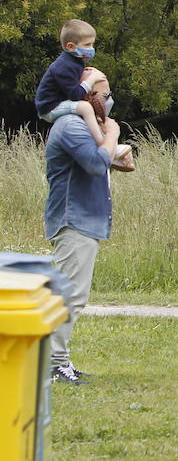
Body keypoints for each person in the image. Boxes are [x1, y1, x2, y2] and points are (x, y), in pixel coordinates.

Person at [43, 69, 127, 384]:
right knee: (68, 295)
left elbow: (96, 161)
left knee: (72, 294)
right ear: (88, 96)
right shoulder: (70, 126)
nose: (108, 101)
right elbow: (94, 163)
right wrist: (113, 135)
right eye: (104, 95)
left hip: (83, 219)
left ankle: (59, 360)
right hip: (73, 219)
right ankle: (52, 365)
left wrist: (114, 154)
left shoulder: (81, 127)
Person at [34, 19, 128, 159]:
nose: (91, 49)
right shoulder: (64, 66)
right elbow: (75, 94)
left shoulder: (74, 61)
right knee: (85, 108)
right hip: (49, 107)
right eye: (87, 45)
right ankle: (104, 146)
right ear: (70, 46)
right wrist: (92, 79)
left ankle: (110, 146)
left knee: (92, 110)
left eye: (92, 44)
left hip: (61, 102)